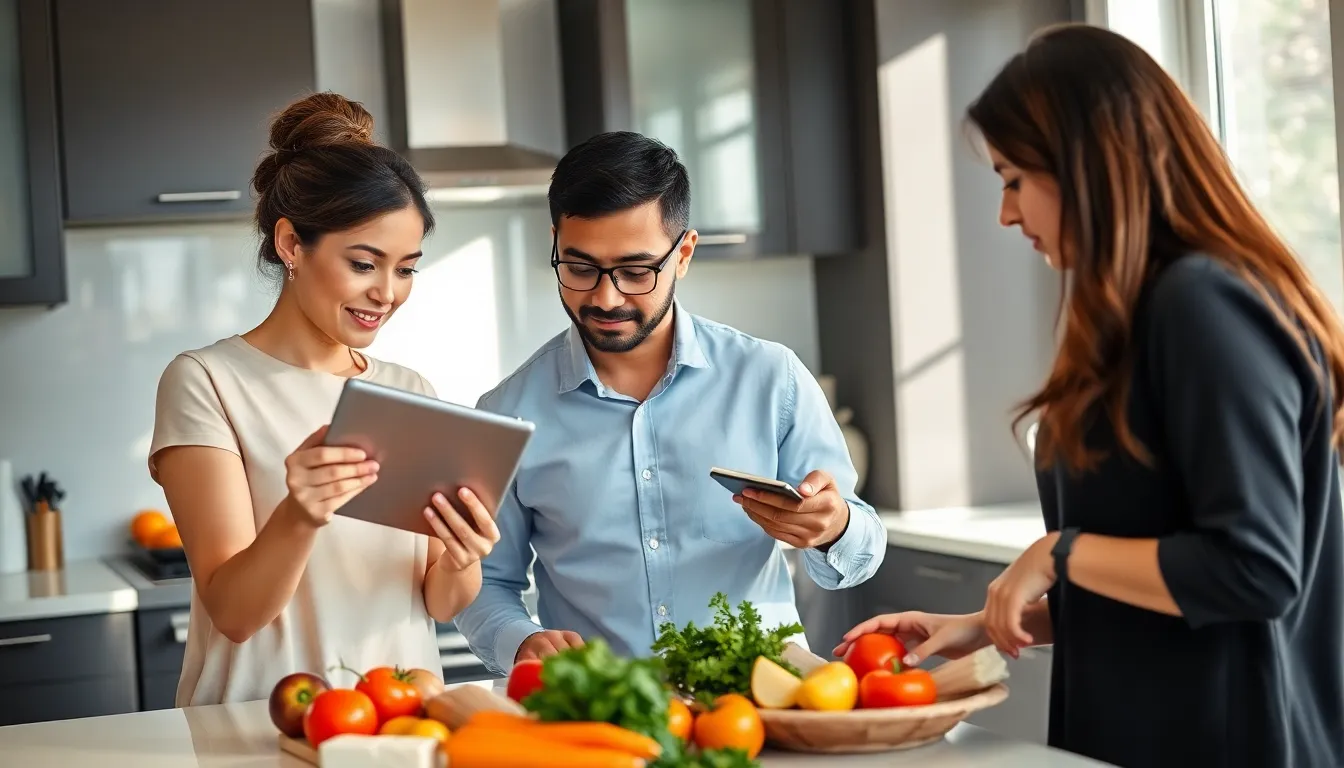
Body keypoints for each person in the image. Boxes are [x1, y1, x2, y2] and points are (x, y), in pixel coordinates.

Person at [835, 23, 1344, 768]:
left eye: (1013, 179)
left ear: (1085, 167)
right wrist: (996, 621)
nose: (1006, 214)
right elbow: (1174, 584)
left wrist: (1058, 553)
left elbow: (1254, 572)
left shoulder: (1203, 305)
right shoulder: (1147, 315)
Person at [452, 131, 886, 673]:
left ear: (683, 254)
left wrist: (835, 527)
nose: (606, 298)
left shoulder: (771, 378)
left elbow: (861, 550)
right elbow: (485, 581)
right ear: (556, 245)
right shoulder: (505, 413)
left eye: (636, 272)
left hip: (760, 704)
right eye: (580, 268)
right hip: (608, 718)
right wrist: (519, 641)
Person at [148, 92, 500, 707]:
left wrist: (464, 557)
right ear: (291, 244)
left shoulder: (407, 390)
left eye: (407, 268)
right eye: (364, 263)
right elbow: (233, 612)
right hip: (258, 728)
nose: (387, 292)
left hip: (396, 726)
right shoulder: (207, 381)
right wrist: (300, 513)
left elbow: (441, 601)